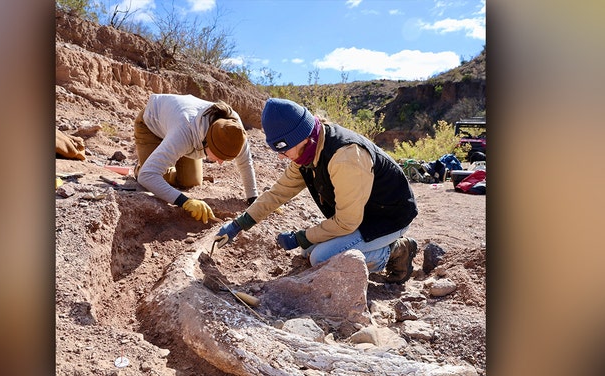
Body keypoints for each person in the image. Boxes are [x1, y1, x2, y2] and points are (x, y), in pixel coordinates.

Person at [216, 98, 419, 283]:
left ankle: (396, 251)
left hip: (390, 218)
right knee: (309, 252)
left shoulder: (345, 157)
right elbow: (278, 193)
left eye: (283, 150)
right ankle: (380, 248)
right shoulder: (307, 152)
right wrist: (238, 225)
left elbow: (347, 222)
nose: (280, 157)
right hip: (363, 216)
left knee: (321, 258)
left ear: (300, 138)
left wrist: (300, 237)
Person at [134, 94, 258, 224]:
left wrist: (253, 199)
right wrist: (185, 201)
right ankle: (141, 166)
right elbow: (147, 175)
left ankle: (166, 156)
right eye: (220, 157)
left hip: (179, 131)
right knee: (154, 178)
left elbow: (245, 163)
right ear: (208, 142)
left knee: (191, 181)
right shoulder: (184, 131)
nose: (221, 163)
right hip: (152, 126)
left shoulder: (234, 131)